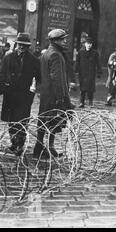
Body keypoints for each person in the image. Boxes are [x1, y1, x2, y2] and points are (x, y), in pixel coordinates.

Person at [0, 33, 41, 156]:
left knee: (22, 120)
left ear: (28, 47)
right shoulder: (8, 58)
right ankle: (13, 143)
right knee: (11, 119)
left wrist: (33, 91)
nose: (22, 47)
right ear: (16, 44)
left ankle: (20, 145)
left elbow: (39, 78)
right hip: (10, 94)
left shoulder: (34, 60)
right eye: (20, 45)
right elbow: (1, 74)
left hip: (24, 95)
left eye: (25, 45)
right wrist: (1, 87)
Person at [34, 29, 75, 159]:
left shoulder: (46, 53)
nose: (65, 41)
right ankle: (49, 148)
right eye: (62, 39)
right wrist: (61, 98)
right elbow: (57, 79)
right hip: (55, 95)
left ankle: (39, 147)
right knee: (53, 122)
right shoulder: (56, 55)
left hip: (46, 94)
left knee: (44, 120)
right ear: (55, 41)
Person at [75, 37, 102, 108]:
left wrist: (99, 72)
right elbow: (77, 62)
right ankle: (82, 102)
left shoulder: (95, 53)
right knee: (82, 88)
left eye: (90, 44)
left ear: (92, 45)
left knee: (91, 88)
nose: (89, 45)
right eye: (88, 44)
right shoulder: (80, 52)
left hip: (91, 73)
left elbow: (98, 63)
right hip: (82, 73)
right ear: (85, 44)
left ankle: (90, 102)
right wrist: (75, 70)